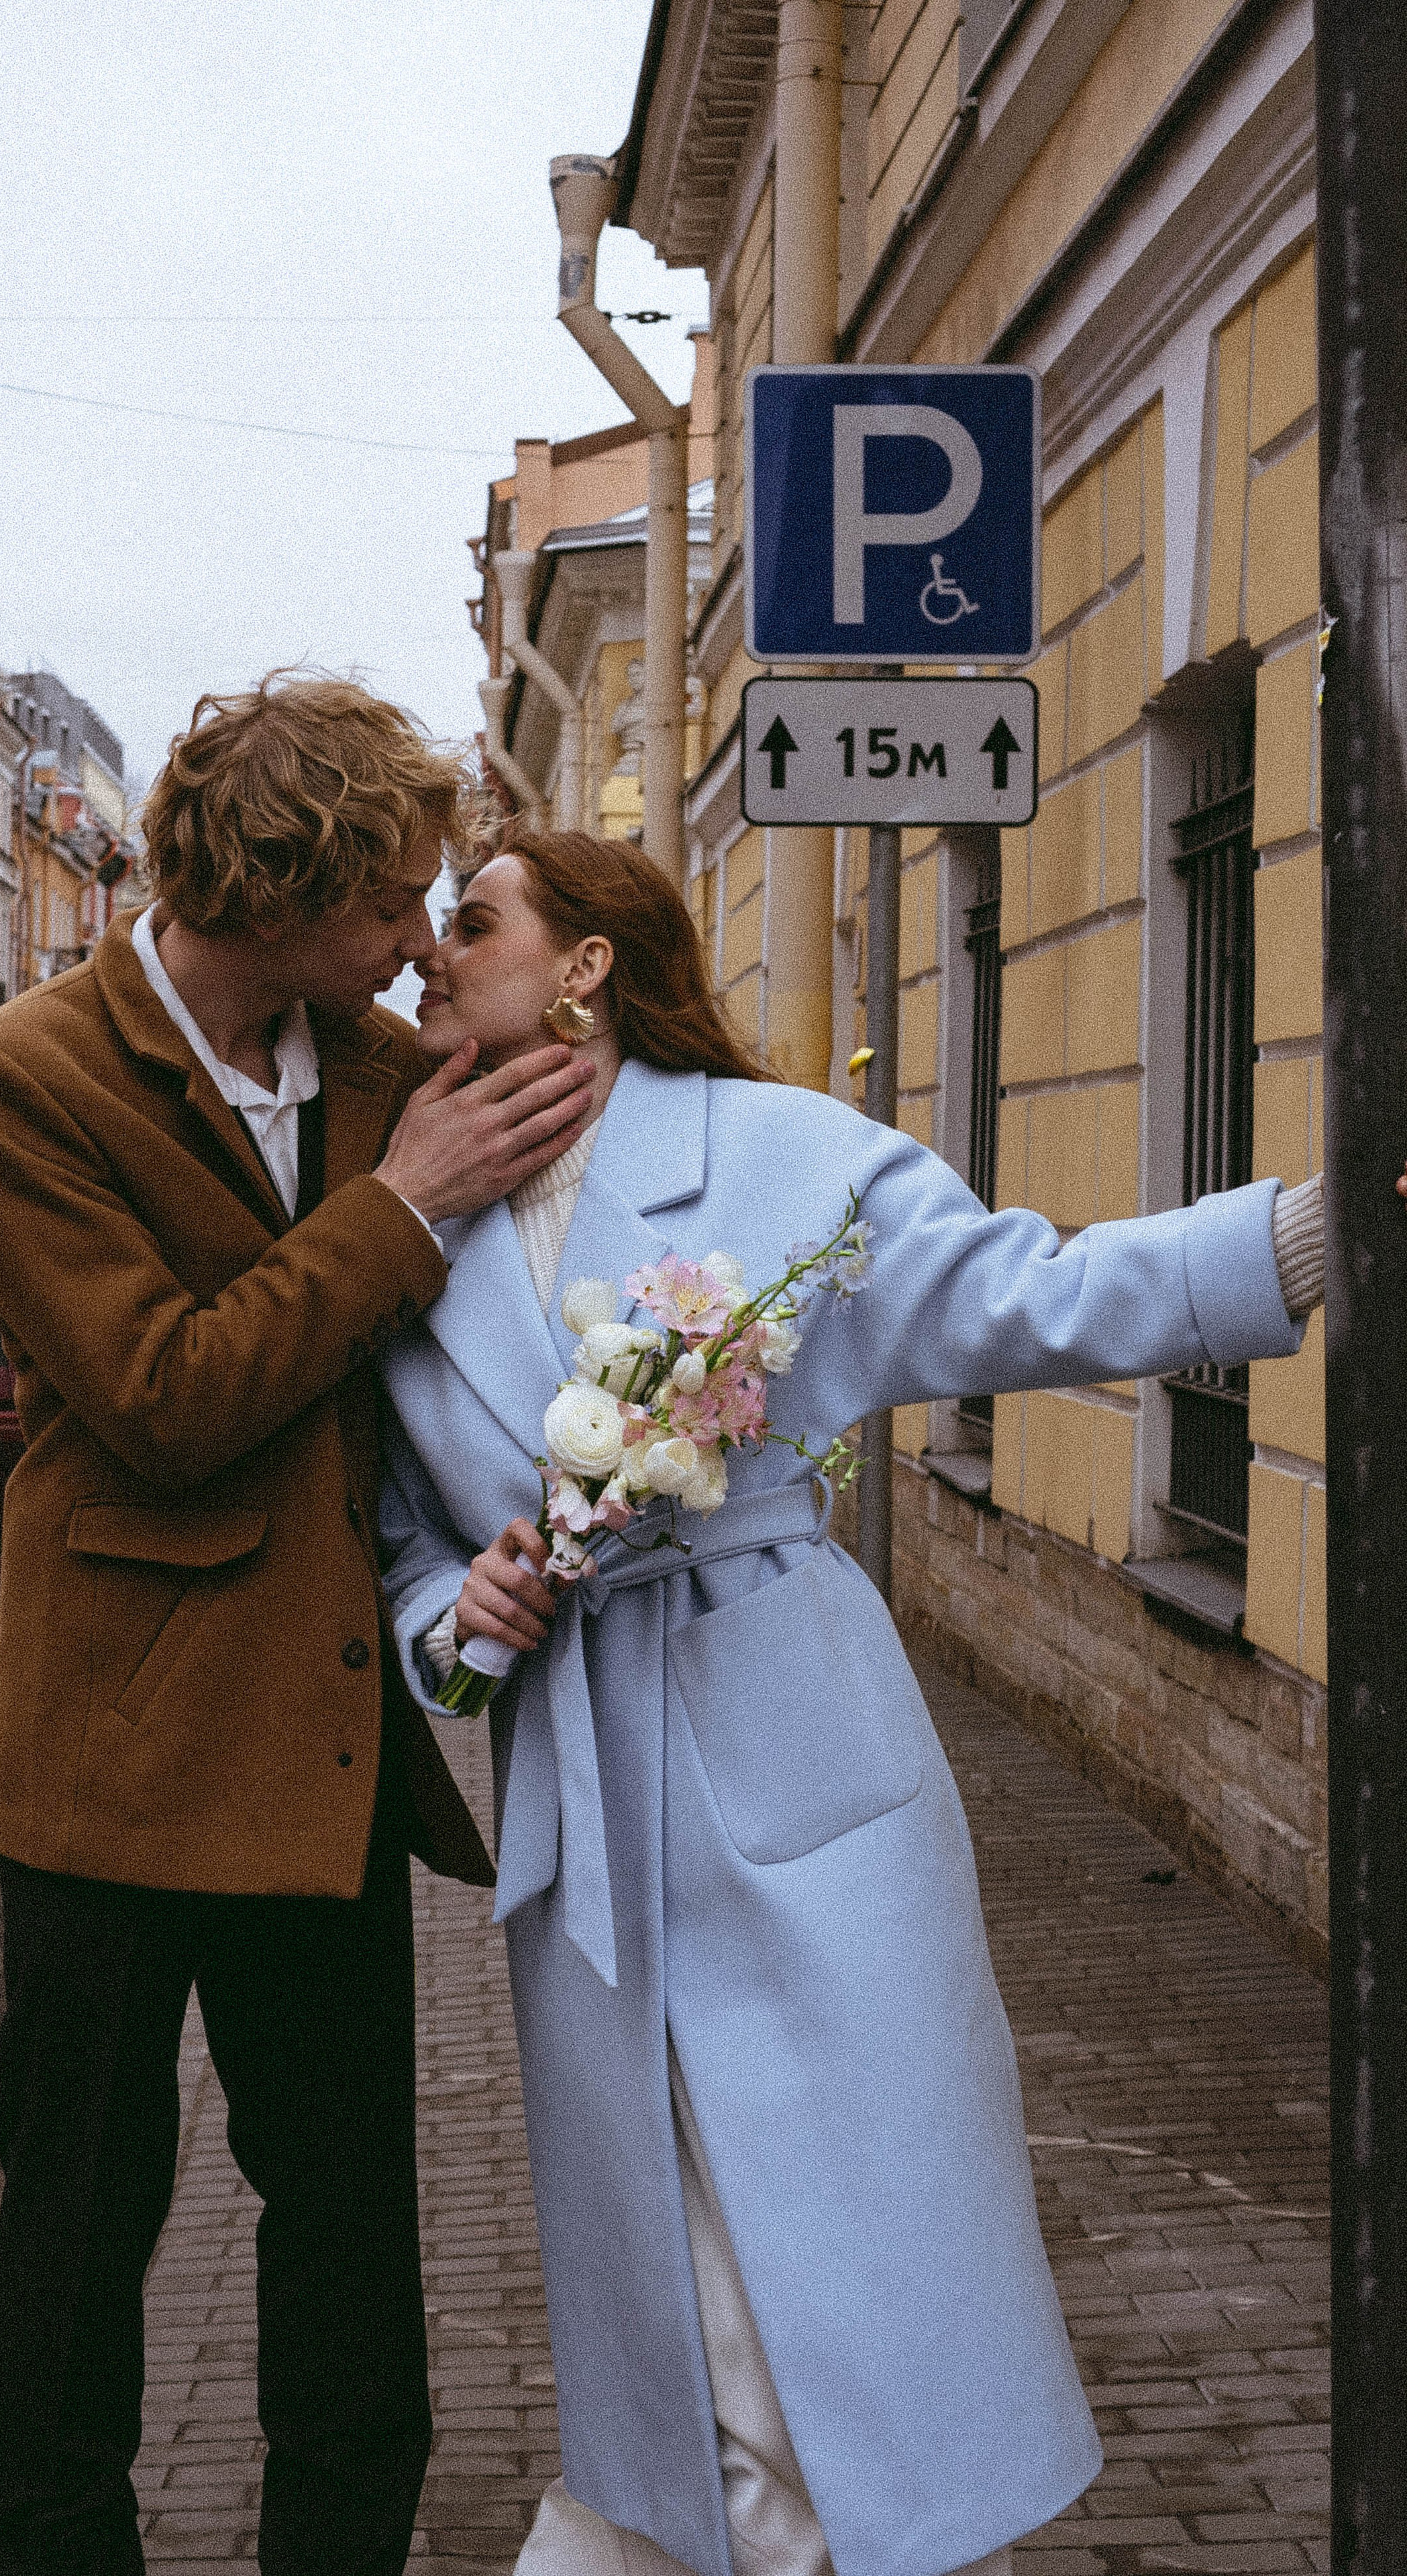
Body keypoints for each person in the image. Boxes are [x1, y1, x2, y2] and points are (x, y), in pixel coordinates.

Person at [379, 826, 1333, 2576]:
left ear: (587, 962)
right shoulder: (408, 1236)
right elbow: (402, 1570)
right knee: (685, 2318)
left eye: (475, 923)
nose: (433, 956)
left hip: (793, 1757)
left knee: (811, 2292)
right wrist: (476, 1612)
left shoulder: (773, 1155)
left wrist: (1301, 1236)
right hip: (584, 1810)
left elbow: (1029, 1293)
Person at [0, 678, 595, 2576]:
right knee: (78, 2242)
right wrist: (398, 1212)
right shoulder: (21, 1079)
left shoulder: (389, 1071)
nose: (414, 944)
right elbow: (164, 1394)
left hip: (321, 1749)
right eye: (394, 900)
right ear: (289, 880)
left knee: (351, 2263)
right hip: (115, 1759)